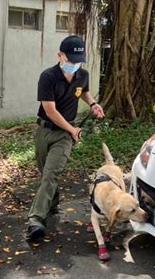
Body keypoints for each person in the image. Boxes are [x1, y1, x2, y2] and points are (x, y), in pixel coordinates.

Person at [25, 35, 105, 241]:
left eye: (78, 61)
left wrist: (94, 104)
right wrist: (72, 129)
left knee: (51, 173)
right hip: (45, 130)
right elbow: (49, 111)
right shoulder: (48, 77)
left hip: (64, 135)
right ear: (60, 56)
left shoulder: (82, 75)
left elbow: (84, 92)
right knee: (45, 172)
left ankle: (35, 219)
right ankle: (52, 204)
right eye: (70, 60)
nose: (74, 65)